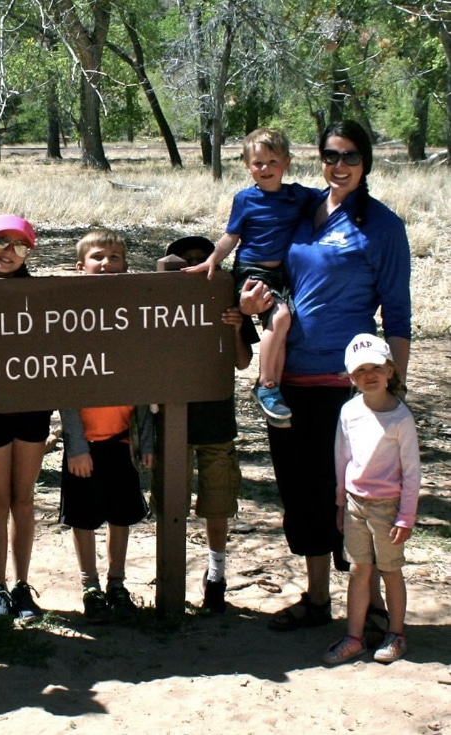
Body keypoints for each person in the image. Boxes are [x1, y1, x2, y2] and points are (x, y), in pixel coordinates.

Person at [239, 120, 412, 634]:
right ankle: (316, 600)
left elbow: (397, 315)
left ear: (367, 163)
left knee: (363, 494)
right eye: (331, 156)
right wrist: (249, 303)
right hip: (291, 381)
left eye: (351, 157)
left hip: (351, 384)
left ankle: (375, 608)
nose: (340, 166)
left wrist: (393, 389)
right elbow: (271, 276)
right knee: (303, 491)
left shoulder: (382, 227)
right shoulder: (300, 210)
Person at [185, 128, 315, 427]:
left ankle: (274, 386)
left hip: (282, 274)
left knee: (281, 325)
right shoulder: (245, 199)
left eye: (272, 161)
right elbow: (232, 236)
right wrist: (213, 260)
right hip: (253, 270)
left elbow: (330, 201)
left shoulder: (298, 196)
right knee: (280, 318)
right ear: (247, 166)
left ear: (287, 162)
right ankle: (265, 385)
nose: (265, 169)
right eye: (258, 163)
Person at [59, 229, 154, 623]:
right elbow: (62, 384)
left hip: (122, 442)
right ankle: (90, 585)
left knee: (121, 516)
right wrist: (76, 445)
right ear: (81, 267)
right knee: (83, 518)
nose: (107, 264)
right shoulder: (68, 319)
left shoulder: (136, 317)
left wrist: (146, 442)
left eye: (115, 258)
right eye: (98, 257)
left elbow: (149, 386)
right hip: (85, 444)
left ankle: (117, 583)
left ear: (126, 266)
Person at [170, 236, 260, 614]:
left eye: (201, 259)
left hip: (217, 422)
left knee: (218, 504)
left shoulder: (227, 301)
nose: (194, 266)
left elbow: (242, 362)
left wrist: (237, 326)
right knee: (169, 503)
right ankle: (170, 574)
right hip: (174, 426)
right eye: (185, 261)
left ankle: (216, 574)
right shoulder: (159, 306)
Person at [0, 215, 52, 622]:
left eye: (19, 246)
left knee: (23, 500)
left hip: (33, 409)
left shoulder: (40, 296)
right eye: (0, 241)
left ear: (28, 254)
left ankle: (22, 588)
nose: (7, 252)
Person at [322, 334, 420, 665]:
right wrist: (340, 503)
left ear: (390, 371)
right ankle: (354, 637)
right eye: (360, 370)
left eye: (376, 367)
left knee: (390, 570)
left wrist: (406, 516)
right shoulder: (349, 412)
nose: (369, 375)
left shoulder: (400, 418)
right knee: (358, 570)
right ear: (351, 377)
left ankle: (396, 635)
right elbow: (342, 459)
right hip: (354, 505)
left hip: (388, 508)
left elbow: (412, 472)